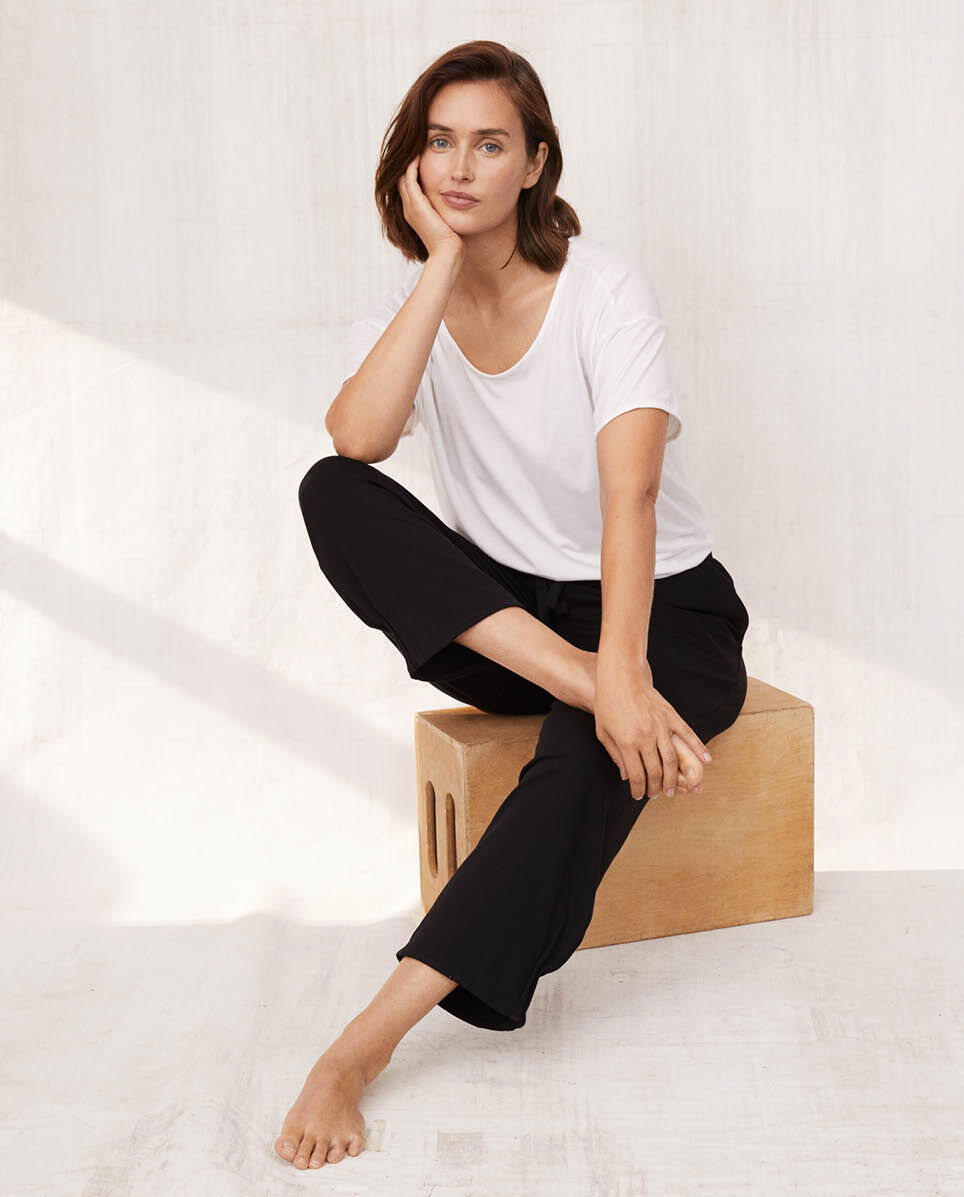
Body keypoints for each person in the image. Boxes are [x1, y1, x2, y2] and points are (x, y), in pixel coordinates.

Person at [275, 40, 750, 1171]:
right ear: (411, 161)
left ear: (535, 163)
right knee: (331, 490)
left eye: (489, 144)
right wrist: (439, 265)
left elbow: (630, 499)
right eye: (439, 142)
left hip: (665, 610)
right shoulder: (411, 310)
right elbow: (358, 441)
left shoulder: (603, 289)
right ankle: (587, 688)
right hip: (517, 627)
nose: (459, 166)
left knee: (589, 751)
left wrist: (624, 673)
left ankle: (358, 1046)